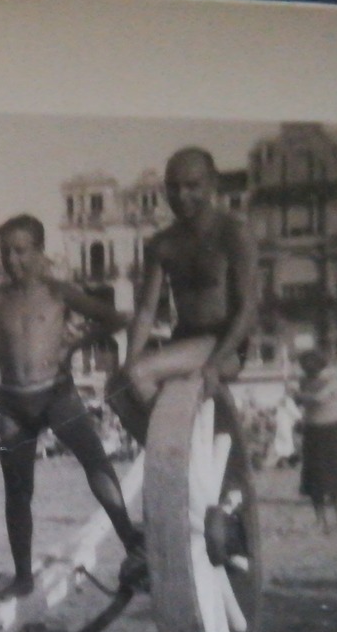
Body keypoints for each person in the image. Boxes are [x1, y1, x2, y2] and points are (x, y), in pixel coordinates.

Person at [0, 214, 140, 598]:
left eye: (22, 252)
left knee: (95, 462)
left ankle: (131, 540)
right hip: (12, 401)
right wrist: (0, 352)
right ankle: (23, 575)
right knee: (17, 490)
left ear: (40, 252)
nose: (13, 261)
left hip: (57, 393)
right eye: (7, 253)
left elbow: (113, 318)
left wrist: (75, 344)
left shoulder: (60, 292)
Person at [108, 148, 258, 445]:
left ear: (213, 183)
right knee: (117, 387)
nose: (181, 195)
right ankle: (175, 447)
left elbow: (248, 309)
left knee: (140, 372)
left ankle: (177, 444)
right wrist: (128, 362)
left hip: (225, 342)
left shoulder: (233, 233)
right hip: (185, 341)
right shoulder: (162, 244)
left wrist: (216, 363)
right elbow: (147, 311)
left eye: (192, 186)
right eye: (173, 187)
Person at [295, 349, 337, 536]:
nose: (307, 373)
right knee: (314, 481)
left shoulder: (334, 380)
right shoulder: (304, 380)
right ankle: (322, 523)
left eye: (310, 369)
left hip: (331, 431)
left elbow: (319, 398)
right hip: (311, 431)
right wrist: (295, 395)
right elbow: (301, 402)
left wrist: (298, 394)